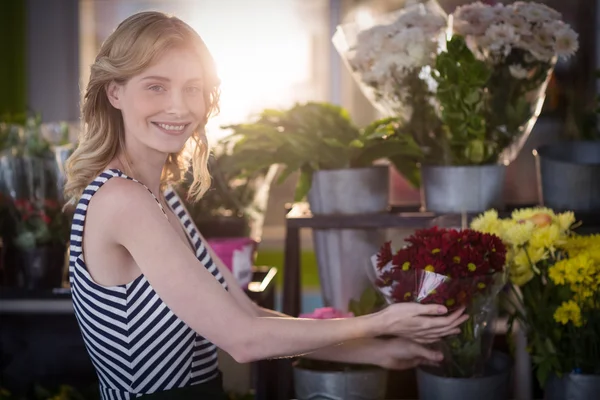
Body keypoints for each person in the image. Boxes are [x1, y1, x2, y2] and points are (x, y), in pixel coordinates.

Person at [63, 11, 467, 400]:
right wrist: (378, 323)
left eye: (192, 87)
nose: (180, 106)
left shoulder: (162, 195)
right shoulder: (122, 199)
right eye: (156, 86)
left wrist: (374, 351)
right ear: (114, 91)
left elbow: (249, 315)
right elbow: (243, 339)